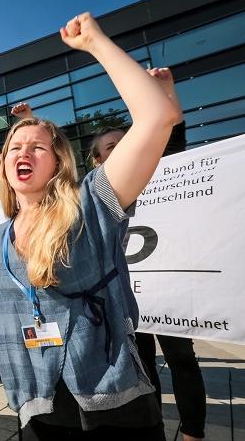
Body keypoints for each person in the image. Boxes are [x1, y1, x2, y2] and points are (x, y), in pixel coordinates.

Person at [0, 13, 179, 438]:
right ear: (4, 165)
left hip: (112, 400)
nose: (21, 152)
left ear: (59, 163)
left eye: (36, 147)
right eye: (14, 146)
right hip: (37, 403)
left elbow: (157, 116)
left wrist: (96, 43)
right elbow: (3, 317)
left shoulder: (91, 203)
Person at [89, 69, 204, 441]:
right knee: (142, 364)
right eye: (111, 147)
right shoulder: (92, 196)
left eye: (126, 142)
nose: (121, 149)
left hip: (166, 288)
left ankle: (192, 433)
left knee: (182, 361)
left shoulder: (158, 170)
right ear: (96, 161)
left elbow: (173, 143)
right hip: (124, 294)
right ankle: (151, 423)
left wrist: (167, 90)